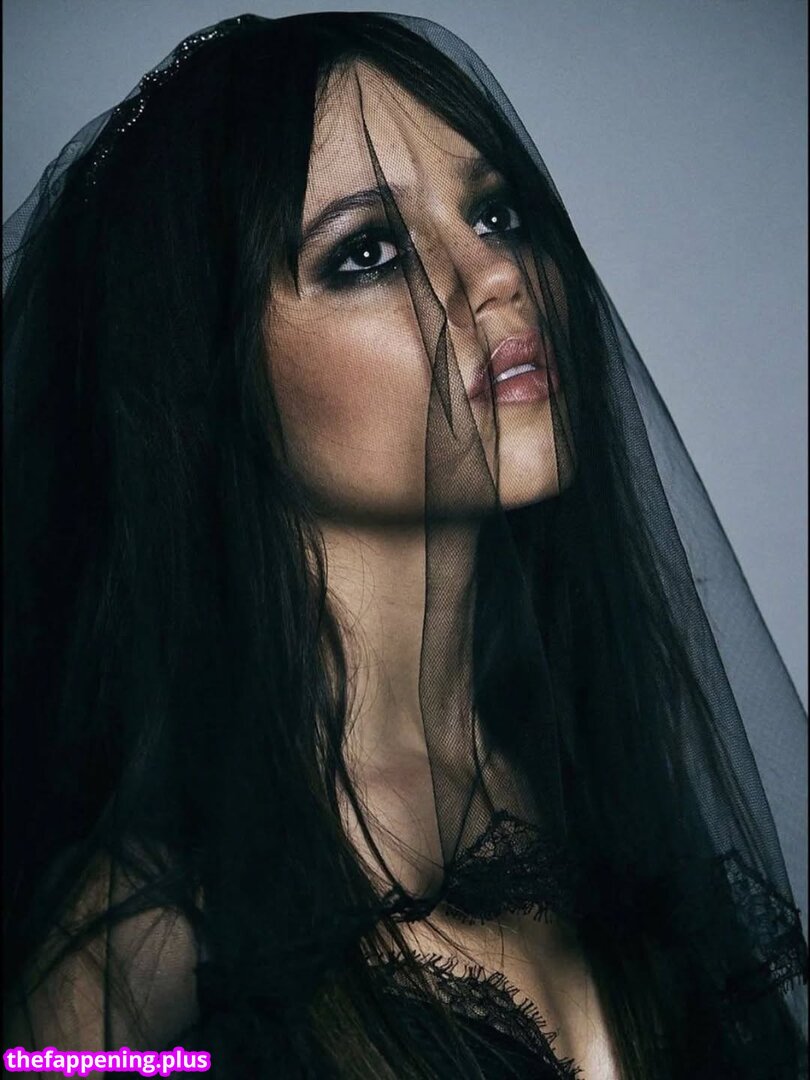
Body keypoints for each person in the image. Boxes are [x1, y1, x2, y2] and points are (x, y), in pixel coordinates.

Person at [3, 13, 806, 1079]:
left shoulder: (593, 776)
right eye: (368, 252)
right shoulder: (149, 923)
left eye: (496, 213)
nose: (498, 274)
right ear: (210, 375)